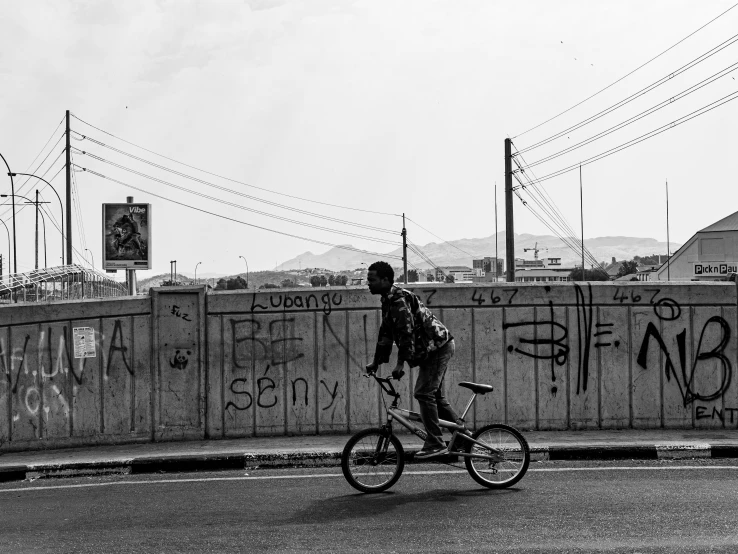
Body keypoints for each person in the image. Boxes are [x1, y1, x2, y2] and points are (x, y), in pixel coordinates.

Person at [365, 261, 464, 459]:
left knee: (423, 393)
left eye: (372, 280)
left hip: (437, 347)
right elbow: (385, 334)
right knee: (433, 396)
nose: (368, 283)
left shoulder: (399, 301)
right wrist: (376, 362)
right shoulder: (388, 299)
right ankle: (462, 438)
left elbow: (406, 334)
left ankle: (435, 442)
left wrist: (401, 363)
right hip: (433, 348)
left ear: (386, 280)